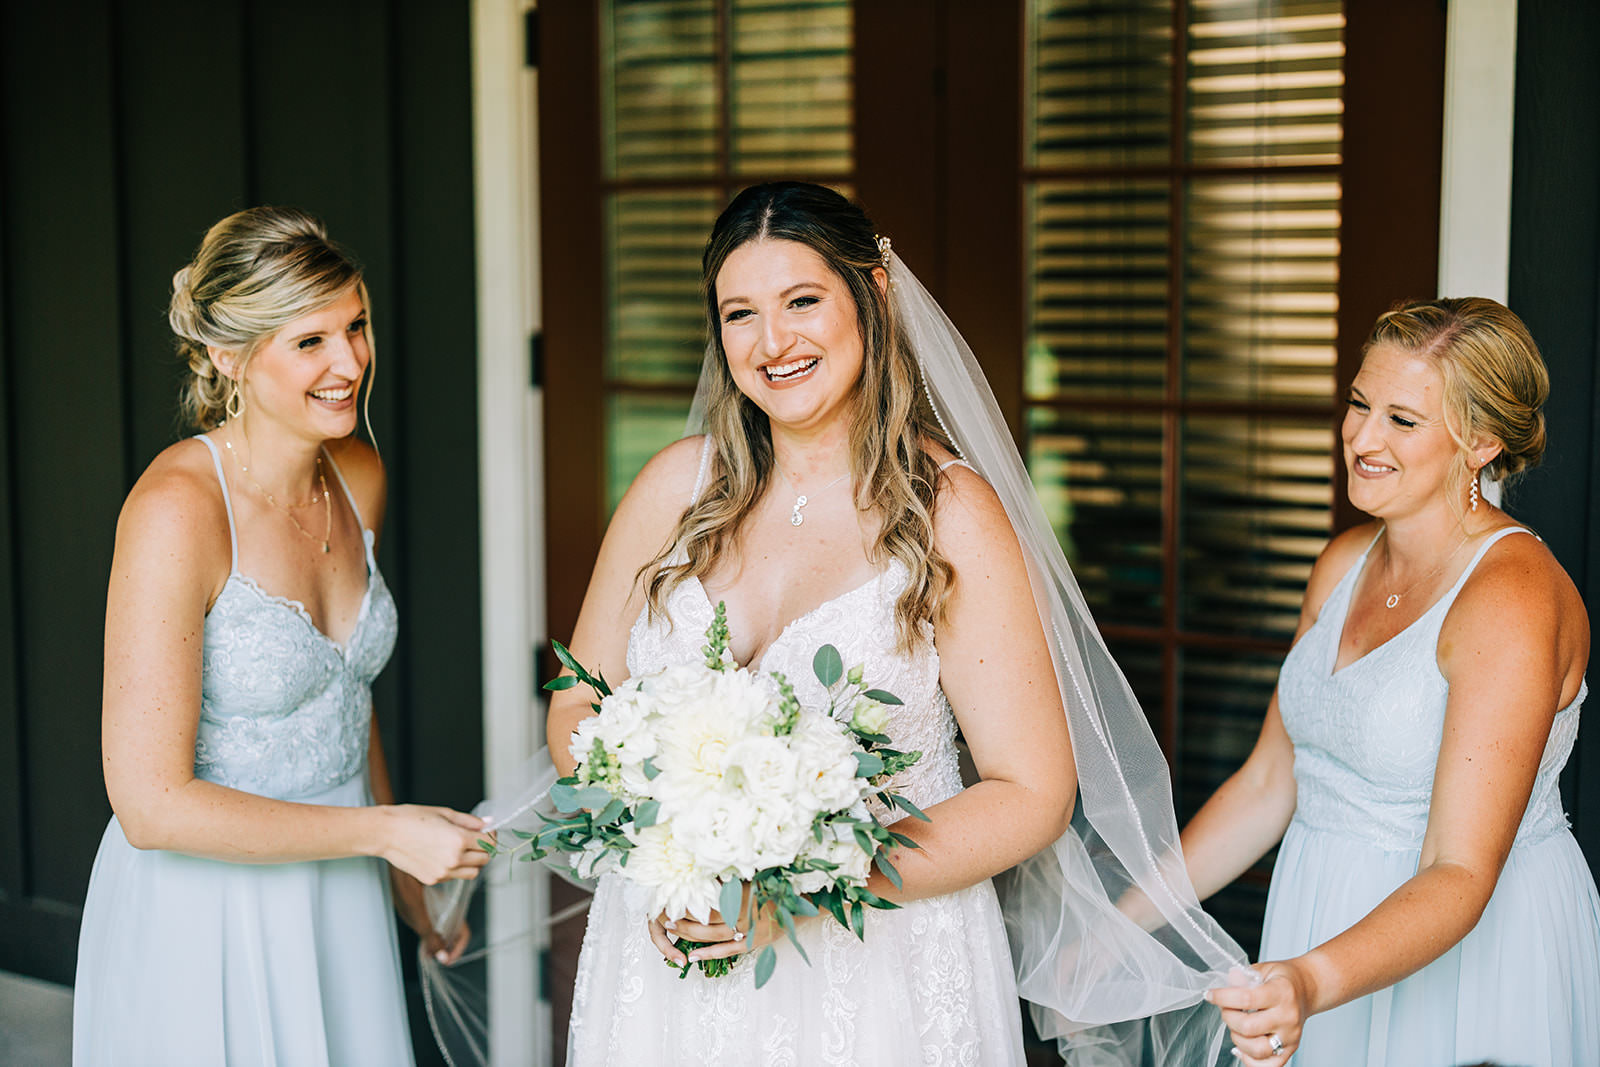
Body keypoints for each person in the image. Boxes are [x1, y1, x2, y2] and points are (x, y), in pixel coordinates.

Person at [527, 182, 1246, 1065]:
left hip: (878, 972)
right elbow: (578, 705)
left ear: (874, 294)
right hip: (671, 953)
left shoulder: (948, 514)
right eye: (739, 313)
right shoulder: (672, 489)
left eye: (802, 301)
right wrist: (667, 843)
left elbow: (1033, 792)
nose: (771, 342)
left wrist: (808, 879)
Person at [73, 207, 490, 1066]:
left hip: (338, 888)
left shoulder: (357, 473)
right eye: (311, 342)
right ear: (230, 356)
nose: (350, 363)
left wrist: (406, 881)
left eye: (357, 327)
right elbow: (150, 806)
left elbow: (344, 692)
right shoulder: (176, 513)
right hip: (206, 912)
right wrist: (387, 834)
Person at [1180, 298, 1600, 1066]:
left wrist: (1308, 979)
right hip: (1319, 923)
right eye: (1359, 403)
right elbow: (1272, 782)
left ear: (1479, 441)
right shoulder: (1342, 564)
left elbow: (1461, 869)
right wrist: (1125, 919)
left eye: (1402, 420)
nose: (1362, 438)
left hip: (1454, 951)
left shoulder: (1511, 597)